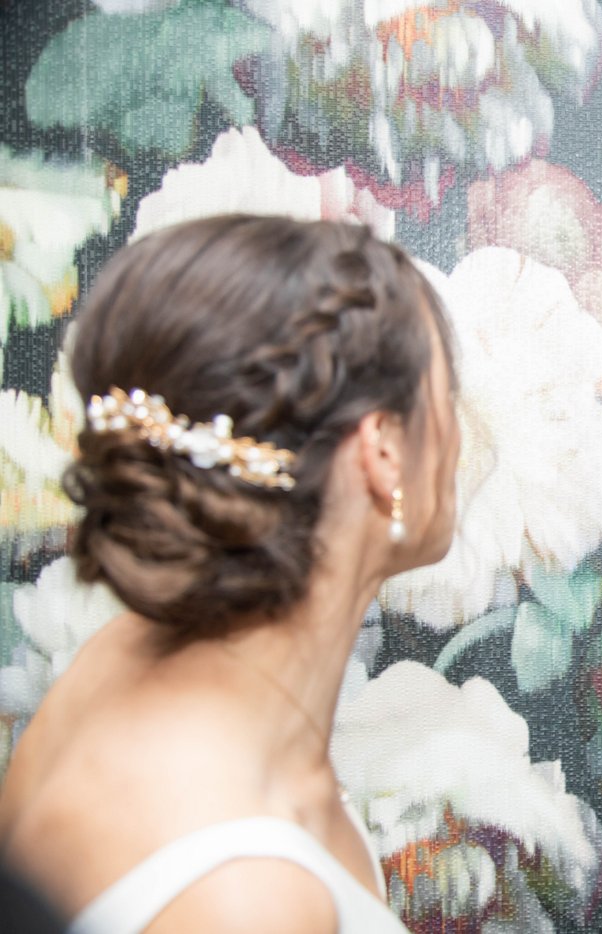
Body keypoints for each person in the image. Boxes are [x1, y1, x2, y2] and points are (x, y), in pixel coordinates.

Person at [0, 215, 460, 932]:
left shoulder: (111, 661)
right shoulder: (247, 900)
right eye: (447, 396)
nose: (459, 434)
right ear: (384, 451)